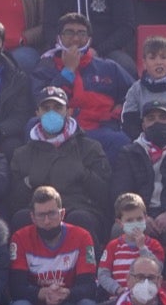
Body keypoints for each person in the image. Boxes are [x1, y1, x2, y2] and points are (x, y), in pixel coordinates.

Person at [9, 87, 110, 234]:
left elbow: (105, 194)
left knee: (81, 219)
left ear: (68, 111)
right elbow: (13, 201)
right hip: (39, 210)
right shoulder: (22, 154)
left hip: (78, 208)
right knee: (21, 218)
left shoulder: (90, 148)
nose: (52, 112)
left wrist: (84, 174)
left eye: (58, 107)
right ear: (37, 113)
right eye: (46, 108)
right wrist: (28, 182)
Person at [111, 100, 166, 242]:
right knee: (119, 229)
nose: (157, 122)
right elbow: (120, 192)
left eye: (163, 118)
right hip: (139, 215)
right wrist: (141, 216)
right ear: (143, 125)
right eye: (151, 119)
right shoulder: (128, 153)